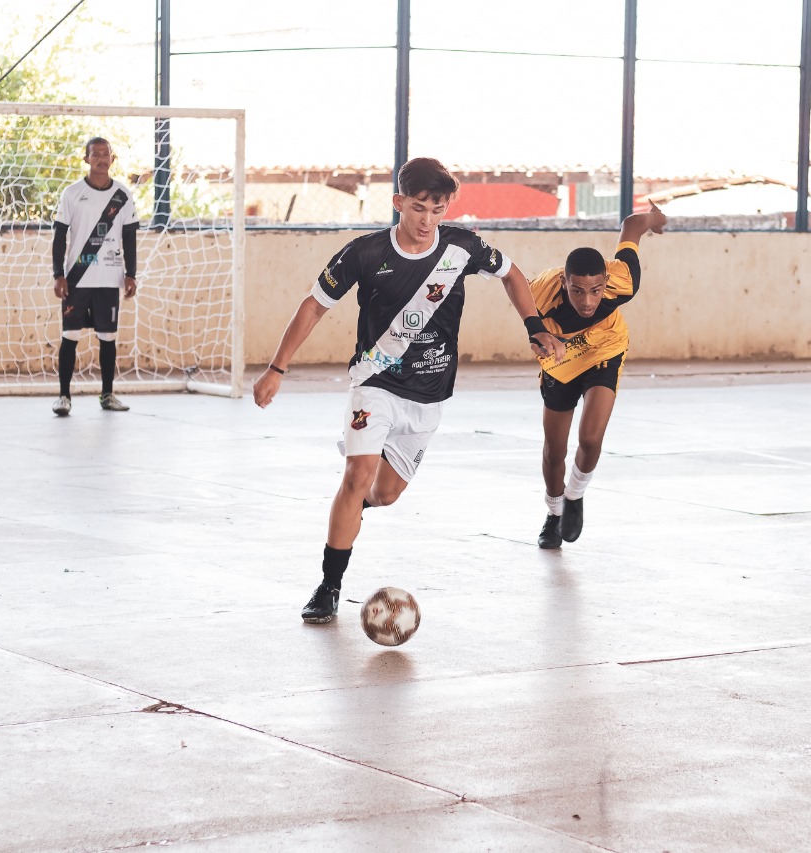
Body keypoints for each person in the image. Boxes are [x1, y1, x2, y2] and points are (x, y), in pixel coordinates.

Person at [252, 157, 566, 623]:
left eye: (438, 210)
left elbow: (512, 274)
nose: (427, 220)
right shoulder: (364, 253)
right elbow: (314, 306)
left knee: (383, 494)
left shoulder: (462, 246)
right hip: (374, 382)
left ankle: (350, 511)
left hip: (429, 394)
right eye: (419, 208)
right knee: (357, 476)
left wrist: (534, 327)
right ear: (399, 202)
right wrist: (276, 368)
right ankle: (328, 587)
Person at [531, 202, 667, 549]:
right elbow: (518, 299)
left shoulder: (623, 279)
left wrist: (656, 218)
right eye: (577, 290)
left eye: (595, 290)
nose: (587, 301)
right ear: (563, 282)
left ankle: (575, 496)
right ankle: (554, 512)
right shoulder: (540, 294)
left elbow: (632, 224)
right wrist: (541, 341)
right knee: (554, 451)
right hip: (561, 359)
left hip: (604, 349)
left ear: (606, 282)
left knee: (590, 439)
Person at [51, 137, 139, 415]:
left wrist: (131, 274)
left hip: (109, 279)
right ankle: (64, 397)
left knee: (108, 338)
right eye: (95, 154)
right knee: (70, 335)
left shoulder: (123, 195)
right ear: (86, 159)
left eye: (106, 154)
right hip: (77, 279)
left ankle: (107, 395)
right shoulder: (72, 193)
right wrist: (58, 274)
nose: (101, 158)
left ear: (112, 158)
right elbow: (59, 235)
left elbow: (130, 237)